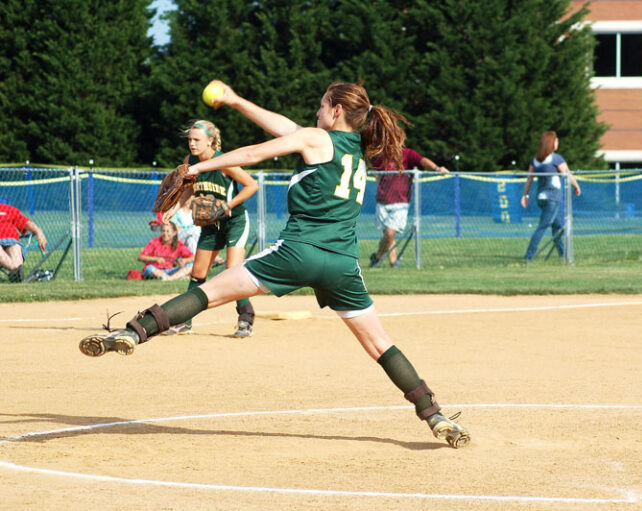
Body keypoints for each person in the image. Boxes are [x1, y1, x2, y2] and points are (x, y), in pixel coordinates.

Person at [79, 80, 470, 448]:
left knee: (208, 292)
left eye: (321, 106)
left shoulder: (318, 138)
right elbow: (287, 128)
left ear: (335, 111)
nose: (316, 113)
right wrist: (234, 100)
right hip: (343, 265)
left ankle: (134, 333)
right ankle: (434, 415)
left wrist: (200, 167)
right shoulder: (356, 151)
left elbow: (253, 154)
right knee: (380, 344)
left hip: (297, 253)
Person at [163, 120, 259, 337]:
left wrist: (227, 205)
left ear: (211, 141)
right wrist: (176, 207)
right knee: (198, 273)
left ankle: (246, 318)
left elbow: (252, 185)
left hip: (234, 221)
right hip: (210, 224)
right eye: (190, 139)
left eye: (197, 139)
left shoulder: (224, 162)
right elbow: (189, 188)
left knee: (233, 271)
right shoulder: (190, 161)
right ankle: (184, 321)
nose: (192, 143)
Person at [370, 147, 449, 267]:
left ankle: (378, 257)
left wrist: (437, 168)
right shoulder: (383, 156)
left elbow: (422, 161)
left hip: (400, 203)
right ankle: (393, 263)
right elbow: (375, 170)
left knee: (390, 233)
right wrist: (381, 185)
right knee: (388, 235)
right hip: (382, 202)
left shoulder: (407, 154)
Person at [520, 131, 581, 261]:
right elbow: (568, 174)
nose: (558, 142)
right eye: (556, 141)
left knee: (558, 227)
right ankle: (529, 256)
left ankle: (563, 256)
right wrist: (576, 186)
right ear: (550, 143)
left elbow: (529, 179)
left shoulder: (535, 160)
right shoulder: (556, 158)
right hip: (553, 198)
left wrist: (525, 195)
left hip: (541, 198)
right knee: (543, 226)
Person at [0, 203, 47, 283]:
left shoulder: (7, 209)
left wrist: (39, 232)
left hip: (11, 241)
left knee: (16, 247)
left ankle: (17, 273)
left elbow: (25, 222)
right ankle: (16, 271)